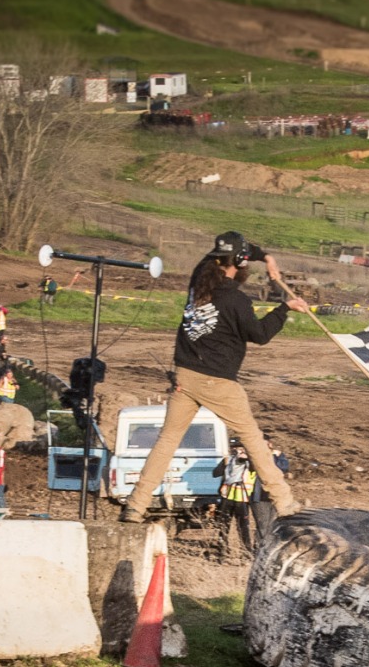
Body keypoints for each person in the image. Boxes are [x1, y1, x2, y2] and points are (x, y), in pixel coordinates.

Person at [120, 231, 309, 524]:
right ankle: (284, 502)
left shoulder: (198, 282)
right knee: (253, 440)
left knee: (167, 441)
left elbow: (221, 255)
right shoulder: (236, 300)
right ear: (242, 262)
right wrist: (285, 308)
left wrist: (265, 257)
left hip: (185, 377)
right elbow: (259, 335)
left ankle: (135, 505)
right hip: (218, 381)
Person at [214, 443, 257, 558]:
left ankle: (246, 552)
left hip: (242, 498)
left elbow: (250, 466)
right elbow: (215, 473)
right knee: (223, 525)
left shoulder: (250, 462)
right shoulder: (229, 460)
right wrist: (224, 463)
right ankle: (221, 550)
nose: (238, 451)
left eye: (241, 449)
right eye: (235, 449)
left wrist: (245, 457)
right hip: (227, 497)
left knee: (243, 527)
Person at [250, 434, 290, 532]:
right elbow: (266, 467)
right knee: (262, 525)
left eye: (267, 443)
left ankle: (268, 545)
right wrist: (273, 456)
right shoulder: (255, 455)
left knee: (274, 524)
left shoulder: (279, 456)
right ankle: (260, 546)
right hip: (259, 495)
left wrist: (277, 456)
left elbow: (283, 468)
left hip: (275, 495)